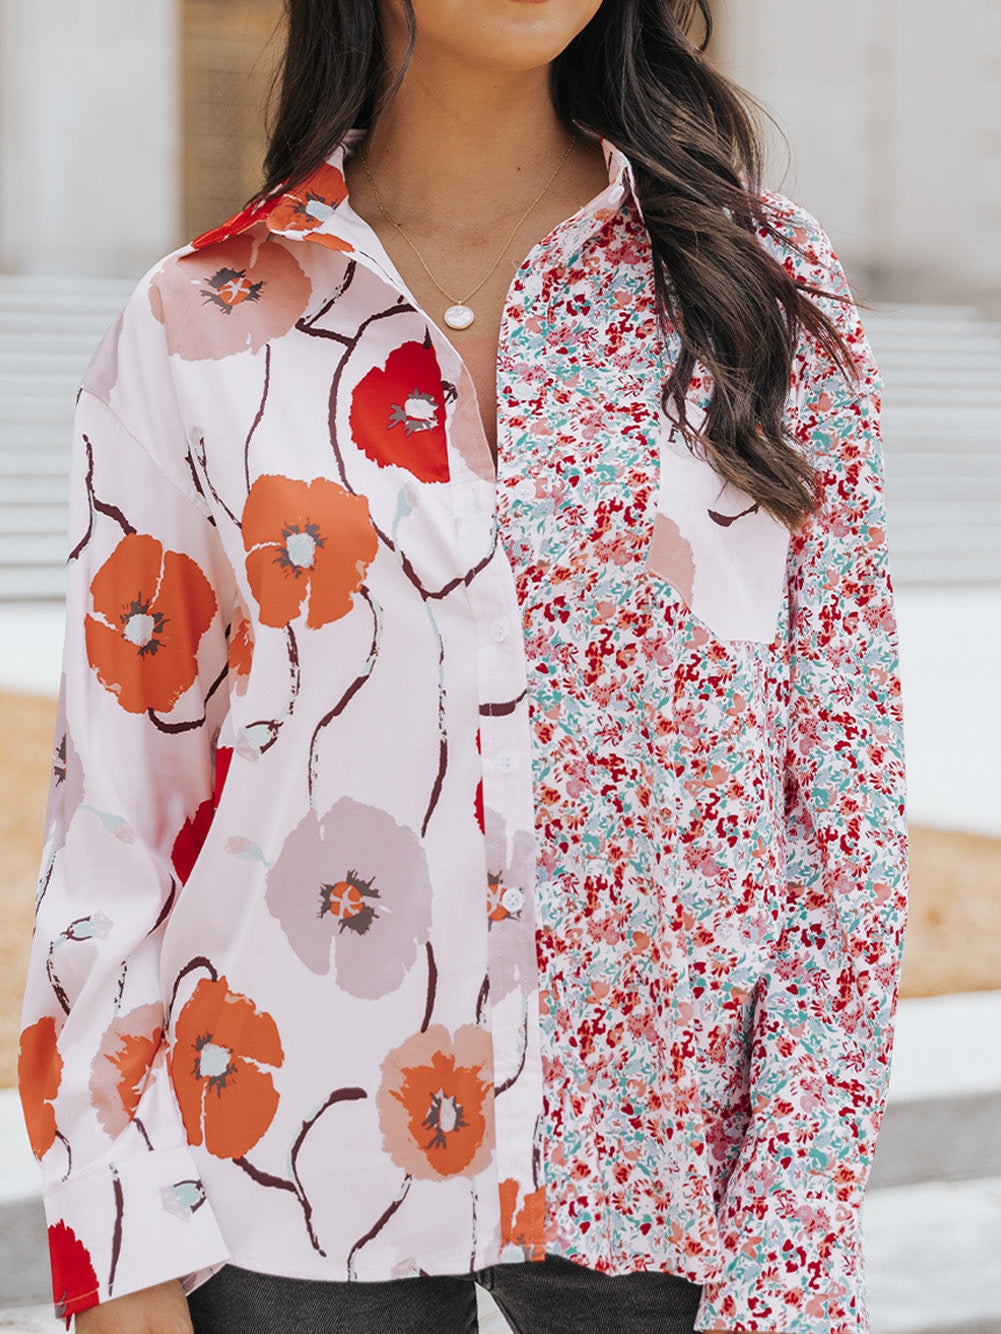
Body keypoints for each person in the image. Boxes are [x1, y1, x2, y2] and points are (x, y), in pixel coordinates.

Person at [17, 0, 908, 1331]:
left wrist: (789, 1253)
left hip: (684, 1226)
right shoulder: (200, 325)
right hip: (280, 1214)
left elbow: (844, 815)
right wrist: (120, 1241)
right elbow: (114, 831)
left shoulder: (757, 283)